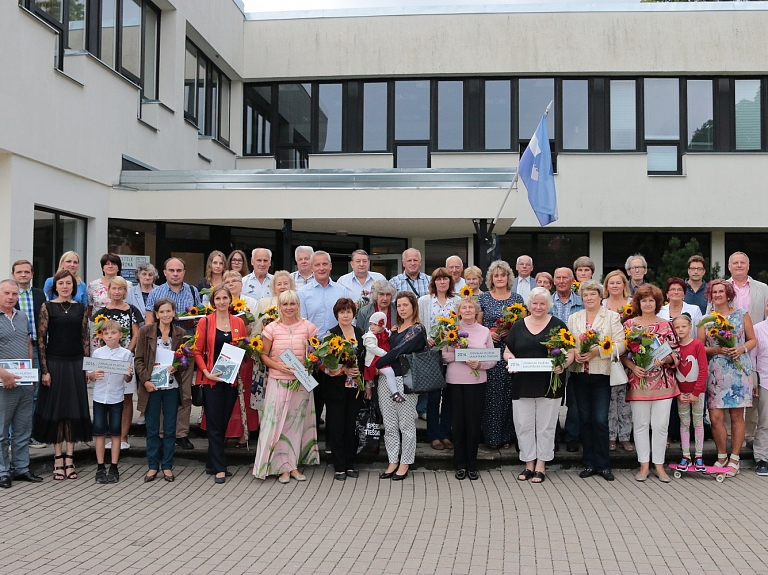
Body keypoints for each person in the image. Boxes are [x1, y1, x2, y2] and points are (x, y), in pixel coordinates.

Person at [504, 287, 572, 483]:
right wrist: (511, 360)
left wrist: (563, 365)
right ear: (529, 305)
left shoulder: (558, 325)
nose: (538, 307)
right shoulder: (518, 326)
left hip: (549, 385)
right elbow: (507, 352)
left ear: (548, 305)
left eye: (542, 303)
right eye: (535, 303)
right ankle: (528, 464)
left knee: (546, 426)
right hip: (522, 384)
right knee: (523, 425)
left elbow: (570, 352)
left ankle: (541, 465)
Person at [253, 290, 320, 483]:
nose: (289, 308)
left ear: (298, 305)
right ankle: (280, 468)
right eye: (285, 304)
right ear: (279, 307)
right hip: (278, 380)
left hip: (301, 383)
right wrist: (278, 366)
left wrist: (311, 363)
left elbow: (316, 354)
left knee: (296, 424)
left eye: (292, 304)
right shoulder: (271, 328)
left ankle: (293, 466)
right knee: (278, 425)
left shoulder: (308, 327)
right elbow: (263, 355)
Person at [33, 269, 91, 481]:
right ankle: (58, 458)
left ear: (73, 287)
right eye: (61, 283)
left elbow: (86, 338)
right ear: (55, 286)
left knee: (73, 409)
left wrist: (87, 367)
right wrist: (45, 370)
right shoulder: (47, 307)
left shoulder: (81, 308)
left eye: (68, 283)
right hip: (55, 364)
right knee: (58, 411)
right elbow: (41, 340)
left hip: (76, 364)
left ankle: (70, 457)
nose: (65, 286)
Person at [567, 280, 625, 482]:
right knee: (585, 420)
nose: (589, 298)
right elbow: (568, 342)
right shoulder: (574, 317)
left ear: (601, 296)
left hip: (601, 374)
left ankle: (603, 465)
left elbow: (621, 345)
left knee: (600, 420)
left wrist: (596, 352)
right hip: (579, 374)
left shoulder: (611, 317)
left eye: (593, 294)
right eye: (585, 295)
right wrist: (575, 352)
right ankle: (589, 463)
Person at [621, 284, 679, 482]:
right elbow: (622, 353)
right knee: (640, 424)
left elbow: (676, 352)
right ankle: (644, 465)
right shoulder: (629, 325)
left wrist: (665, 360)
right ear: (638, 303)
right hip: (639, 381)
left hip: (663, 383)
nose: (647, 304)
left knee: (661, 425)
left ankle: (660, 465)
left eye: (651, 300)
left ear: (657, 303)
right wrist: (632, 366)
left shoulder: (665, 325)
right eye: (644, 300)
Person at [699, 279, 755, 477]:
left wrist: (741, 348)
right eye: (714, 292)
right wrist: (717, 349)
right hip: (717, 372)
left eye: (721, 291)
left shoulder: (742, 314)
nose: (718, 295)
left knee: (737, 416)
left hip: (739, 370)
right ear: (710, 295)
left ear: (728, 293)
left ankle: (735, 458)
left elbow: (752, 339)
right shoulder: (707, 319)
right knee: (715, 417)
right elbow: (700, 347)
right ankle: (722, 455)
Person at [192, 285, 248, 484]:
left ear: (230, 300)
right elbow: (197, 351)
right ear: (213, 301)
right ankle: (220, 468)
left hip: (230, 380)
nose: (222, 301)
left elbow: (242, 347)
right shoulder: (205, 322)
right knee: (215, 424)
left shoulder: (238, 322)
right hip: (211, 380)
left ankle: (211, 463)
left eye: (225, 298)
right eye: (218, 298)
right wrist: (206, 372)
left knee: (222, 422)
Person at [145, 257, 200, 450]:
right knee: (161, 389)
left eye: (179, 270)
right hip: (161, 347)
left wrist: (191, 323)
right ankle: (162, 433)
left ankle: (181, 433)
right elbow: (149, 322)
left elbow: (199, 318)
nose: (175, 273)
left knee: (184, 392)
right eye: (171, 270)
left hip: (184, 346)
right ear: (165, 272)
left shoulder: (193, 291)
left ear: (184, 272)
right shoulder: (156, 292)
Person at [203, 270, 260, 448]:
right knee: (217, 410)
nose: (232, 283)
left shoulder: (248, 305)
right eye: (228, 281)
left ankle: (242, 431)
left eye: (235, 280)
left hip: (238, 362)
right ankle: (222, 439)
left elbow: (248, 335)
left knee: (236, 400)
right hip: (214, 367)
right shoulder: (209, 315)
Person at [375, 291, 427, 481]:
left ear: (414, 306)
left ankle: (405, 462)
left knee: (405, 423)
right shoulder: (394, 329)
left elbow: (397, 352)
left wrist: (377, 365)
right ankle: (392, 460)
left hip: (406, 381)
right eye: (399, 306)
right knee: (389, 424)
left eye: (406, 305)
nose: (402, 309)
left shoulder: (417, 329)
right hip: (386, 380)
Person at [134, 298, 188, 483]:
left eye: (169, 311)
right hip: (152, 387)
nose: (165, 315)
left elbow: (185, 360)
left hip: (171, 387)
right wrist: (146, 380)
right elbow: (138, 359)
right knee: (152, 428)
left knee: (170, 428)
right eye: (162, 312)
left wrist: (177, 366)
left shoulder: (180, 333)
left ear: (174, 313)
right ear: (156, 314)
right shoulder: (146, 331)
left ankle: (167, 465)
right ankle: (152, 466)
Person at [299, 250, 350, 441]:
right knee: (313, 400)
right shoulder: (302, 293)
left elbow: (348, 322)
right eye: (317, 265)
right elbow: (301, 323)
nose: (321, 268)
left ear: (330, 266)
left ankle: (332, 443)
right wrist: (313, 354)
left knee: (336, 402)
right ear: (311, 268)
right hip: (312, 355)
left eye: (324, 264)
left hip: (337, 354)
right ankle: (310, 445)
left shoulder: (341, 291)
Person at [443, 296, 495, 480]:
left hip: (477, 382)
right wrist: (462, 356)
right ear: (458, 311)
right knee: (458, 425)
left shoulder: (484, 332)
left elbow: (493, 358)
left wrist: (479, 364)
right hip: (455, 382)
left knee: (473, 425)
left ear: (476, 311)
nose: (467, 310)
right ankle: (460, 465)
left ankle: (472, 465)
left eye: (470, 307)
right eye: (463, 308)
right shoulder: (451, 330)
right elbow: (444, 356)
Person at [0, 279, 42, 488]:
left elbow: (28, 344)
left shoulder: (23, 316)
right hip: (2, 383)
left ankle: (22, 468)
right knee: (1, 430)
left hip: (24, 380)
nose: (11, 297)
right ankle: (2, 471)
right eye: (6, 293)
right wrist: (3, 375)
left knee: (23, 428)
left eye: (14, 294)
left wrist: (32, 375)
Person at [478, 260, 525, 449]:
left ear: (508, 278)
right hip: (489, 351)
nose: (499, 278)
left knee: (508, 394)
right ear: (491, 278)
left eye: (503, 275)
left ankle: (506, 436)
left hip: (510, 351)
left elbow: (523, 326)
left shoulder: (517, 299)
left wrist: (509, 330)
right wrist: (489, 332)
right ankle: (490, 437)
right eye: (496, 275)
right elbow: (478, 326)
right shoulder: (483, 298)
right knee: (490, 395)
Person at [93, 276, 142, 450]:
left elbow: (136, 334)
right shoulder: (101, 313)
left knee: (126, 398)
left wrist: (127, 352)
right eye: (114, 288)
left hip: (125, 357)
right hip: (106, 359)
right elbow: (96, 334)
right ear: (109, 290)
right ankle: (111, 435)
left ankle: (123, 437)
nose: (117, 292)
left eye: (120, 289)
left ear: (125, 291)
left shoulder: (132, 310)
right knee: (108, 397)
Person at [726, 251, 768, 444]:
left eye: (743, 263)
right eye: (735, 263)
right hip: (728, 346)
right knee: (729, 389)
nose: (739, 266)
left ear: (748, 266)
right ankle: (729, 433)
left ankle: (750, 435)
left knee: (754, 389)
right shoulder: (722, 288)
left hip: (756, 343)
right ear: (729, 267)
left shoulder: (763, 288)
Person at [86, 320, 134, 484]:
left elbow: (128, 379)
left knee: (115, 433)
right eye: (106, 333)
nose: (109, 336)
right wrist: (92, 375)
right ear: (102, 336)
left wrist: (128, 373)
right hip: (100, 397)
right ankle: (100, 466)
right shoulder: (98, 353)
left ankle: (114, 466)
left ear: (120, 335)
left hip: (116, 397)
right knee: (99, 433)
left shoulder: (126, 354)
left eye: (113, 333)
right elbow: (90, 375)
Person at [418, 267, 460, 450]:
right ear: (433, 282)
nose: (442, 282)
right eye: (438, 279)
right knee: (434, 397)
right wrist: (425, 337)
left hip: (452, 353)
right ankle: (434, 435)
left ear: (450, 282)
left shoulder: (457, 301)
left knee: (450, 396)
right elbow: (417, 323)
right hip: (432, 353)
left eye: (445, 279)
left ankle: (446, 433)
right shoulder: (425, 301)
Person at [324, 298, 365, 480]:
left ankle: (350, 464)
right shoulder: (331, 335)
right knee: (336, 426)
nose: (346, 315)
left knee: (351, 427)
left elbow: (366, 360)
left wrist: (362, 377)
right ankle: (338, 466)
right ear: (337, 315)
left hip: (356, 388)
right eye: (342, 312)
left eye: (348, 311)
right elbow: (324, 365)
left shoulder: (360, 333)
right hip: (336, 389)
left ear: (353, 313)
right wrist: (343, 370)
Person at [12, 260, 46, 448]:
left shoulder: (40, 294)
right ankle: (11, 436)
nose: (23, 275)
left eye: (27, 272)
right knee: (13, 391)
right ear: (13, 274)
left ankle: (30, 434)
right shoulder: (9, 295)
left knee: (34, 392)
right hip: (14, 348)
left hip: (37, 347)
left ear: (32, 274)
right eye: (19, 272)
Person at [552, 267, 585, 452]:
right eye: (558, 277)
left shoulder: (581, 303)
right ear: (554, 280)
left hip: (577, 356)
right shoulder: (547, 303)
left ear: (572, 280)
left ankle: (572, 436)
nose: (562, 280)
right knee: (552, 397)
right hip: (553, 356)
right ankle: (554, 435)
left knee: (574, 400)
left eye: (565, 277)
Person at [601, 269, 633, 452]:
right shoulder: (602, 304)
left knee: (626, 399)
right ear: (606, 286)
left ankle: (625, 436)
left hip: (629, 357)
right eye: (611, 283)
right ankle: (611, 436)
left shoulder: (632, 304)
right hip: (607, 356)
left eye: (618, 283)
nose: (614, 286)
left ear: (624, 285)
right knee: (610, 399)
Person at [672, 314, 708, 473]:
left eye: (683, 326)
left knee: (698, 423)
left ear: (690, 327)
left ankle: (699, 456)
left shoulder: (697, 345)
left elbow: (703, 370)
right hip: (682, 394)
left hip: (697, 393)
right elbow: (672, 372)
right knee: (684, 423)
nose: (680, 330)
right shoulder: (674, 348)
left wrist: (696, 392)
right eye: (677, 327)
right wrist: (678, 392)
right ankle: (686, 456)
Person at [363, 311, 401, 401]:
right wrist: (385, 354)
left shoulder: (384, 333)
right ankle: (395, 393)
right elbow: (372, 348)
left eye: (375, 325)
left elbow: (388, 335)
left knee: (389, 374)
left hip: (383, 357)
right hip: (375, 359)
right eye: (371, 324)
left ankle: (394, 392)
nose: (372, 327)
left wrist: (392, 331)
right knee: (389, 372)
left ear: (382, 326)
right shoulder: (369, 336)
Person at [750, 300, 768, 476]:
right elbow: (753, 358)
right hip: (765, 380)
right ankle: (762, 458)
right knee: (765, 422)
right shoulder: (758, 328)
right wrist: (754, 381)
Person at [253, 271, 295, 336]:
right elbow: (256, 330)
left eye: (286, 283)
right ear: (274, 288)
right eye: (279, 284)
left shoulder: (297, 303)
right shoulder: (263, 303)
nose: (282, 286)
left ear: (291, 286)